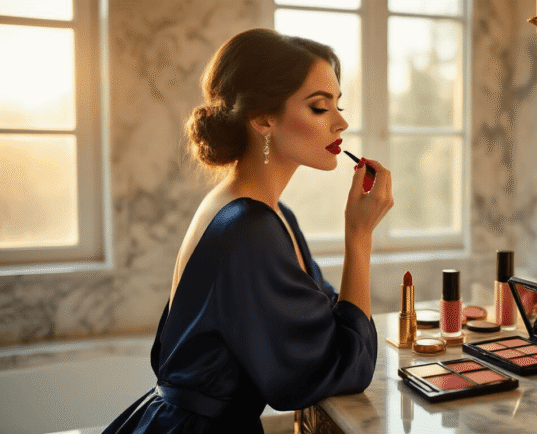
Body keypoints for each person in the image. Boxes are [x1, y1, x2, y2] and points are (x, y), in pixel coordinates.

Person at [103, 28, 393, 433]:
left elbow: (326, 326)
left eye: (338, 105)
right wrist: (359, 237)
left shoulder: (271, 214)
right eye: (319, 108)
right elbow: (343, 367)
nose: (341, 122)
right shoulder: (248, 229)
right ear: (262, 118)